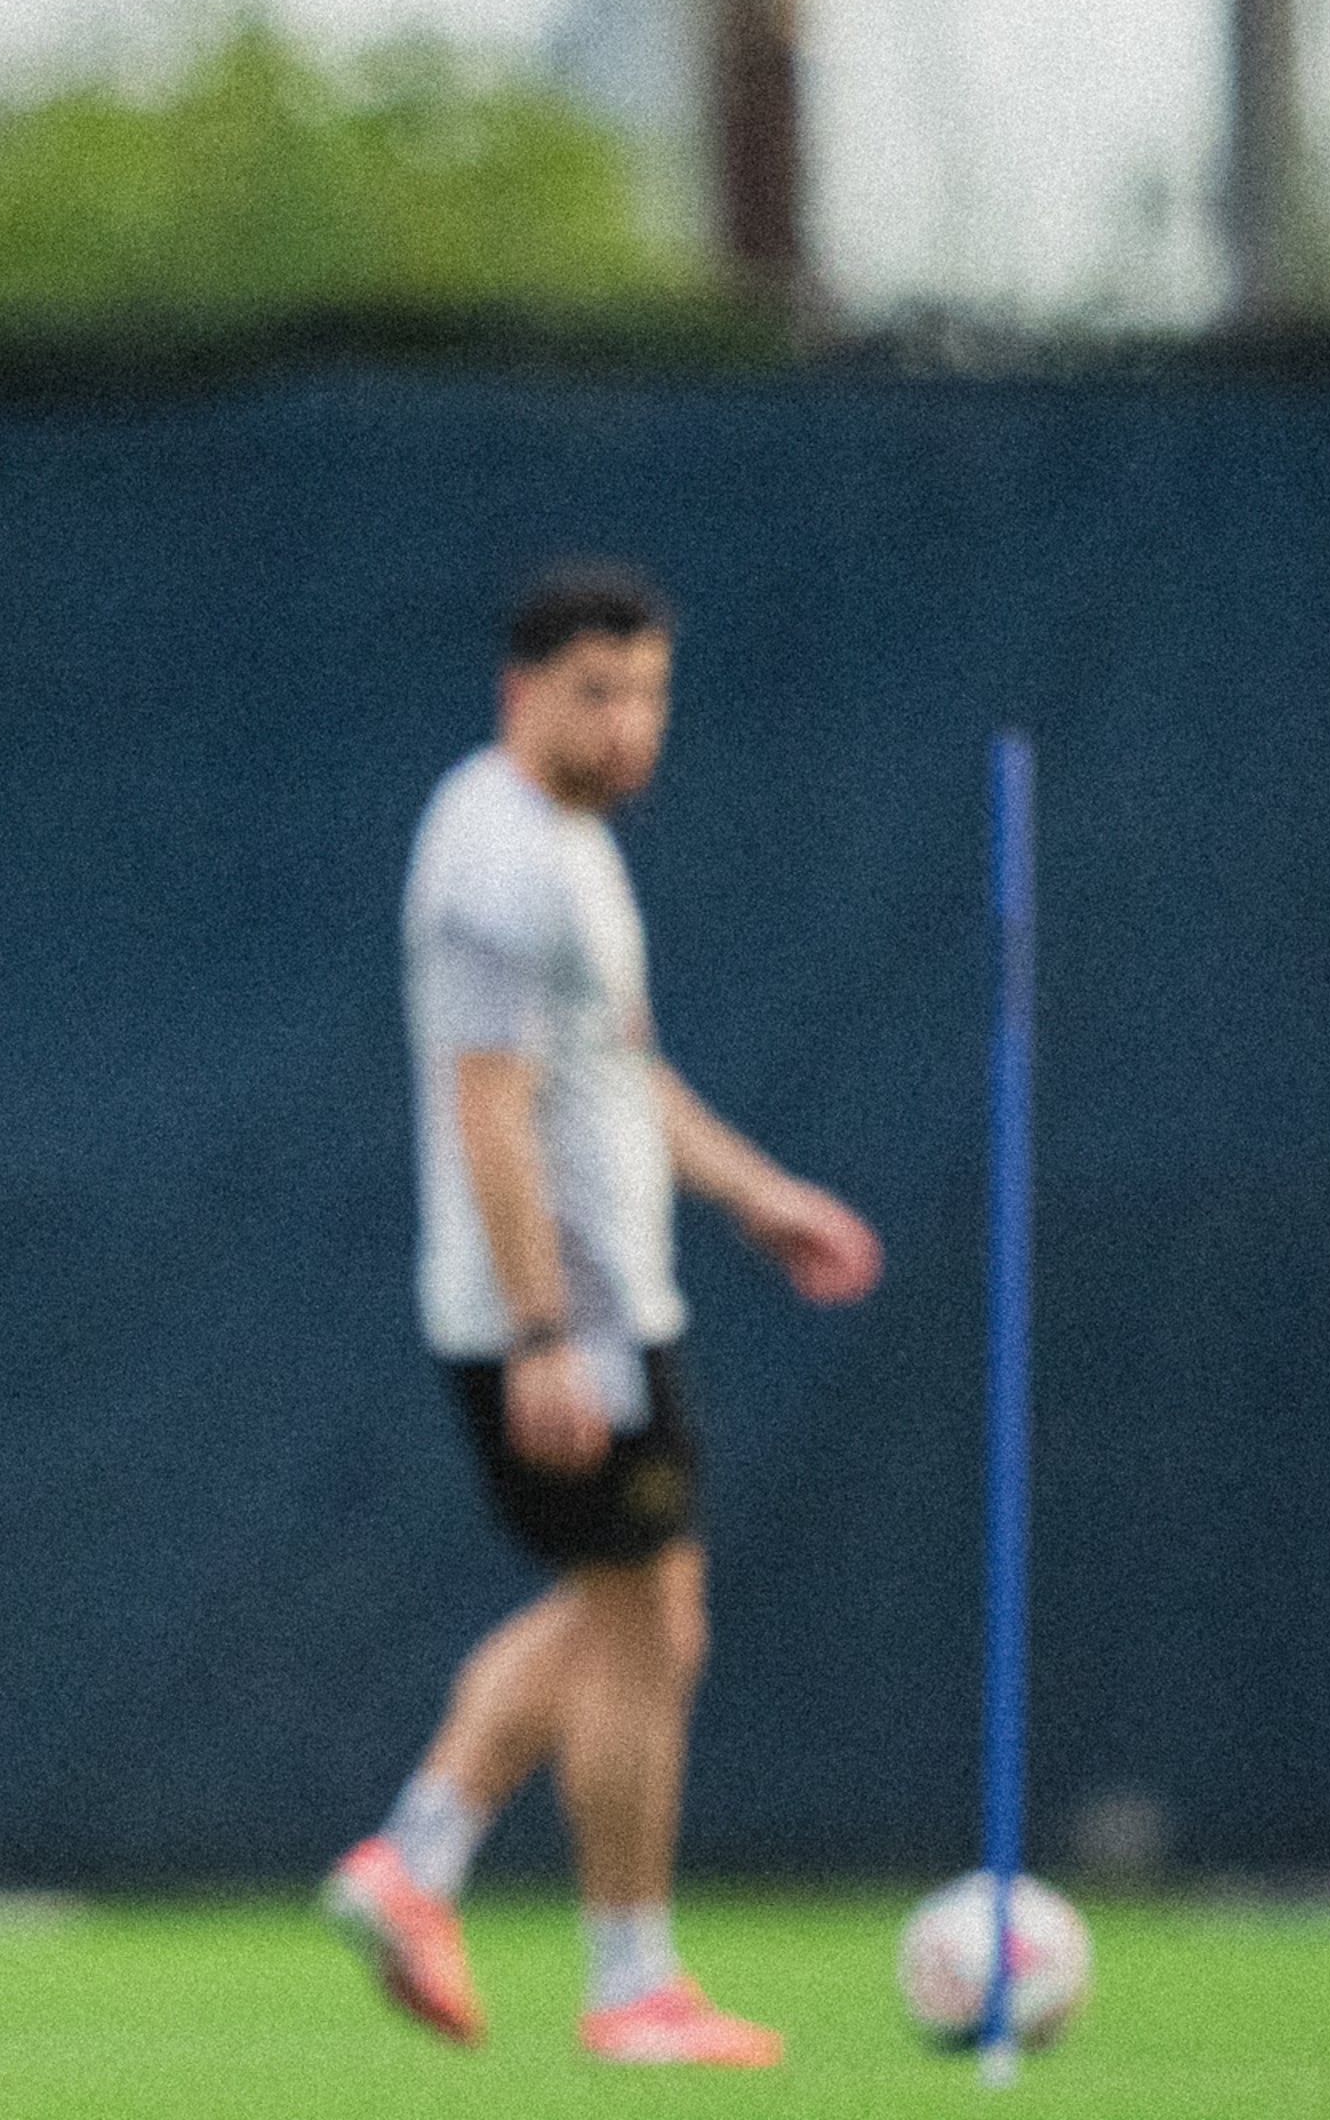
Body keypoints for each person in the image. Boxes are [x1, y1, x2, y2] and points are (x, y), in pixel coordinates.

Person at [321, 560, 882, 2069]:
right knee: (644, 1628)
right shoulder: (503, 863)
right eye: (596, 694)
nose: (629, 725)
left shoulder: (560, 841)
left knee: (630, 1610)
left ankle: (417, 1857)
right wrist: (545, 1331)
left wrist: (755, 1193)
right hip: (569, 1318)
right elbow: (490, 1110)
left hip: (605, 1302)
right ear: (520, 694)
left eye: (648, 695)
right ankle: (627, 1982)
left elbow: (617, 1069)